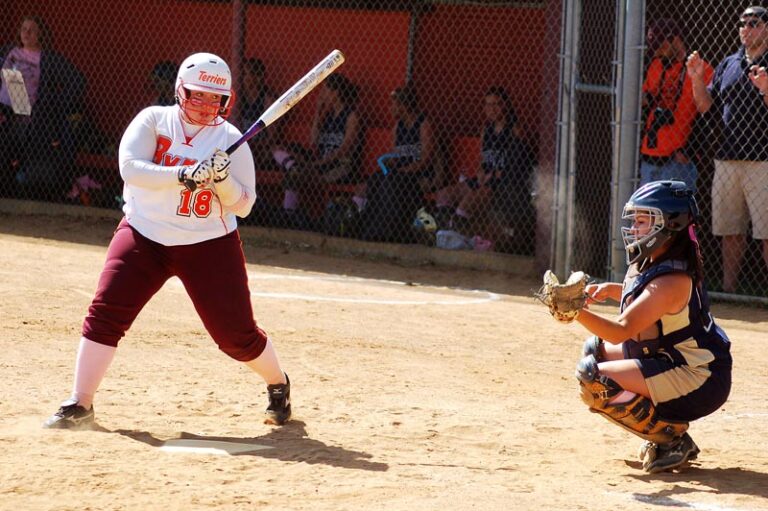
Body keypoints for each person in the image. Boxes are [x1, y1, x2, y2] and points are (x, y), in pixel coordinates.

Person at [42, 52, 291, 430]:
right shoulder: (153, 121)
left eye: (216, 99)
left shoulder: (230, 140)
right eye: (197, 96)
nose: (207, 106)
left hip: (209, 245)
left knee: (235, 336)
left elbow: (244, 206)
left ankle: (277, 383)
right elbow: (130, 168)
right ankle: (81, 401)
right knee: (106, 312)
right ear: (179, 91)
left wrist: (221, 180)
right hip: (144, 234)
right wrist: (184, 173)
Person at [561, 180, 731, 473]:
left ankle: (670, 439)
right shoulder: (652, 261)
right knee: (595, 351)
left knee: (594, 380)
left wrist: (574, 312)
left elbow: (621, 329)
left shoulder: (673, 280)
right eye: (635, 220)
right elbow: (641, 295)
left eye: (643, 221)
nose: (634, 228)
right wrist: (610, 290)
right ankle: (668, 433)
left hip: (700, 378)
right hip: (671, 357)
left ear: (670, 225)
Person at [687, 6, 768, 293]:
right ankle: (729, 291)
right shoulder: (729, 63)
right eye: (742, 23)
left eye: (754, 23)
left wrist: (766, 89)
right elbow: (706, 107)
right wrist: (697, 79)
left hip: (763, 160)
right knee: (730, 231)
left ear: (766, 29)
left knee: (766, 233)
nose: (746, 28)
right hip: (727, 157)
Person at [433, 86, 534, 248]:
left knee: (467, 202)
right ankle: (445, 235)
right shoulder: (486, 130)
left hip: (503, 182)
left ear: (505, 106)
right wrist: (480, 172)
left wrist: (494, 175)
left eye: (496, 104)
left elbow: (520, 166)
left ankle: (464, 240)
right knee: (444, 195)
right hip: (486, 178)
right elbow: (482, 160)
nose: (491, 109)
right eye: (487, 105)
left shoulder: (514, 130)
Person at [0, 15, 86, 200]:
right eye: (23, 29)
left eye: (32, 30)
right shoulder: (9, 51)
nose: (26, 33)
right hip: (4, 112)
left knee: (20, 153)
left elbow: (78, 81)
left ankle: (17, 192)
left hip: (29, 117)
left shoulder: (48, 58)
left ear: (41, 34)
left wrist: (55, 103)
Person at [353, 83, 446, 242]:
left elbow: (426, 159)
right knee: (375, 179)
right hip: (401, 175)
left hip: (422, 176)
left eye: (394, 104)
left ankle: (390, 230)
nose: (391, 108)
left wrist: (405, 171)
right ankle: (367, 226)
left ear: (404, 105)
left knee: (392, 181)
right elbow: (396, 156)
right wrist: (390, 163)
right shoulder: (398, 127)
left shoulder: (423, 124)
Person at [271, 72, 362, 223]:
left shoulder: (351, 116)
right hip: (320, 163)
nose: (322, 94)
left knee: (295, 175)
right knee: (278, 149)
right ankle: (293, 167)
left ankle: (288, 215)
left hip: (339, 166)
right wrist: (318, 112)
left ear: (336, 93)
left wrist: (321, 163)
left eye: (326, 90)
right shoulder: (328, 115)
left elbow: (345, 149)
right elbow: (313, 142)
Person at [639, 19, 713, 191]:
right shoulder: (656, 65)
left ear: (675, 40)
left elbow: (711, 114)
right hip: (649, 155)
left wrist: (691, 150)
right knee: (647, 216)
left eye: (660, 45)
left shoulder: (700, 69)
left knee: (675, 216)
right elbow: (647, 99)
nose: (657, 52)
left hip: (678, 160)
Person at [240, 57, 276, 170]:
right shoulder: (240, 98)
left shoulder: (267, 99)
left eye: (249, 74)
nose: (246, 78)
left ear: (259, 77)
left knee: (275, 150)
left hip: (263, 147)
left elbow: (272, 135)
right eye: (245, 74)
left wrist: (262, 147)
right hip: (242, 145)